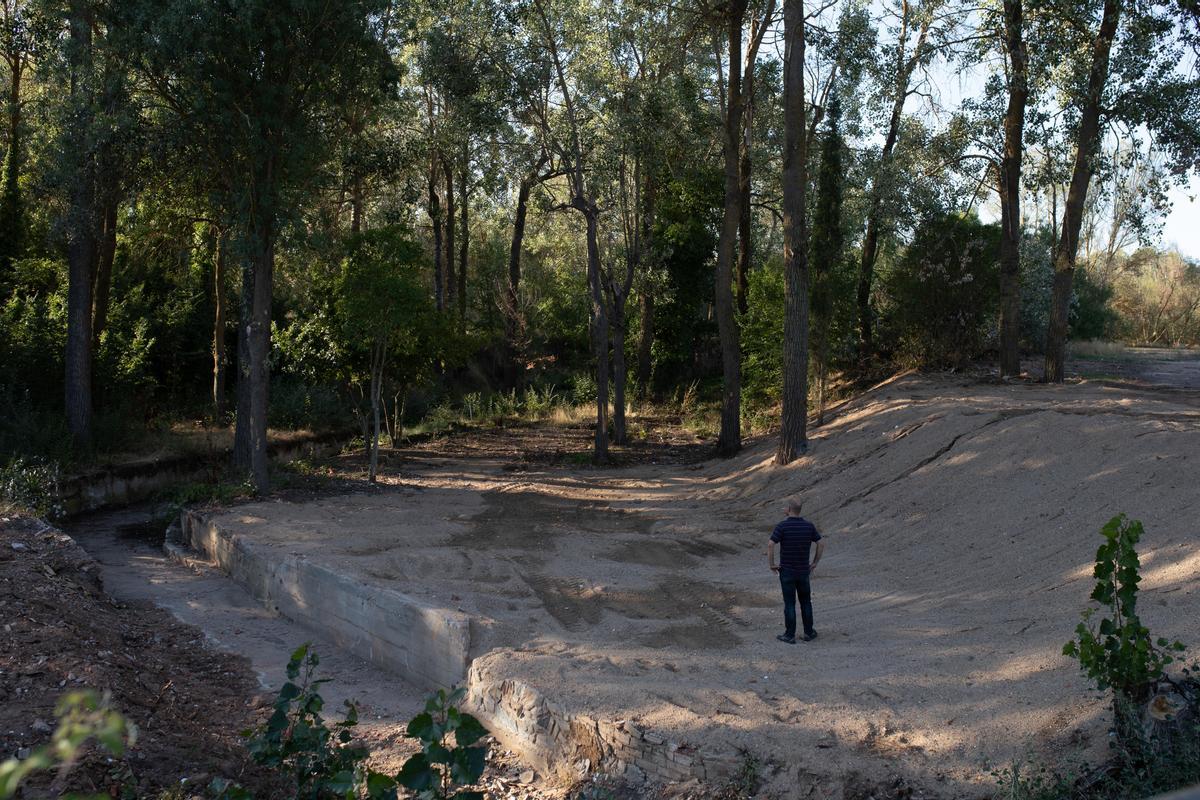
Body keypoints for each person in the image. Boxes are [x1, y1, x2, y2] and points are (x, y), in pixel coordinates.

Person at [768, 498, 823, 644]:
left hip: (787, 571)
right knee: (806, 602)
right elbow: (821, 543)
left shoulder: (782, 526)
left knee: (789, 603)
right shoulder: (809, 526)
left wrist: (771, 564)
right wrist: (815, 563)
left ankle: (789, 634)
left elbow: (770, 544)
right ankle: (809, 632)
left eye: (785, 507)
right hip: (803, 570)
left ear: (788, 509)